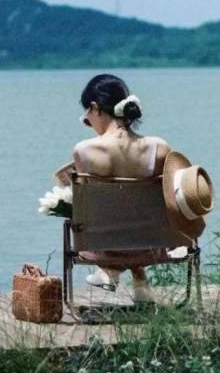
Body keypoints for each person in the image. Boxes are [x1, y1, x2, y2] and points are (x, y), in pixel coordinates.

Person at [71, 74, 171, 303]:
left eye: (87, 117)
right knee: (132, 219)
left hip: (102, 246)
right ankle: (138, 280)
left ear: (95, 108)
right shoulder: (160, 147)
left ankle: (108, 271)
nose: (89, 123)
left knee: (93, 219)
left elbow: (86, 208)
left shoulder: (84, 151)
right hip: (151, 246)